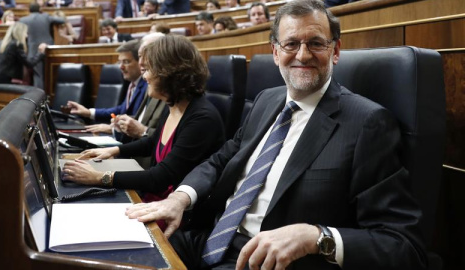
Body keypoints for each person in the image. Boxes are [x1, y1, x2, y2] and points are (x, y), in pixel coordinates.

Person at [125, 0, 428, 269]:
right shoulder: (267, 100)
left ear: (335, 51)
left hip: (265, 261)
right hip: (208, 237)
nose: (303, 54)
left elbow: (402, 245)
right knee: (116, 252)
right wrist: (181, 197)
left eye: (316, 43)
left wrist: (317, 237)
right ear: (274, 52)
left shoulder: (368, 123)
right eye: (291, 44)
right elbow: (221, 160)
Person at [62, 35, 226, 230]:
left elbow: (159, 178)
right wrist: (114, 151)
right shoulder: (174, 104)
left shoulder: (202, 119)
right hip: (153, 202)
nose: (145, 76)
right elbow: (152, 142)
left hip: (177, 218)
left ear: (170, 73)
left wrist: (101, 177)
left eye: (149, 69)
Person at [67, 40, 147, 135]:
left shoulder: (147, 85)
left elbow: (140, 121)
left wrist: (112, 129)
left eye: (126, 62)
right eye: (119, 62)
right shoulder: (133, 84)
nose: (120, 67)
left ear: (141, 63)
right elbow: (121, 109)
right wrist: (88, 112)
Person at [19, 3, 64, 89]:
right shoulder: (46, 16)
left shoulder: (23, 20)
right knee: (51, 74)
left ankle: (39, 98)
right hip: (49, 48)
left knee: (38, 75)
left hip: (34, 50)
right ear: (40, 9)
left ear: (29, 10)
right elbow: (62, 20)